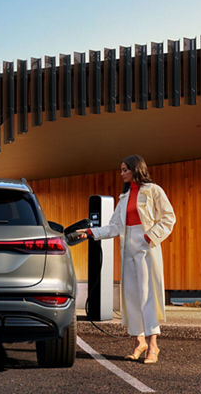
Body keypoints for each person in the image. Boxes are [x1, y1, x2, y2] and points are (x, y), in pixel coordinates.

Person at [75, 155, 176, 364]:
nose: (121, 174)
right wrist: (90, 232)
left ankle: (154, 345)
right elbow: (114, 227)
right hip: (128, 247)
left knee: (147, 295)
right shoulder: (124, 198)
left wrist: (150, 236)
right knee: (130, 296)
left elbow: (168, 217)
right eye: (121, 170)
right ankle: (140, 341)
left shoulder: (153, 191)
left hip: (146, 246)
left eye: (124, 170)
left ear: (135, 169)